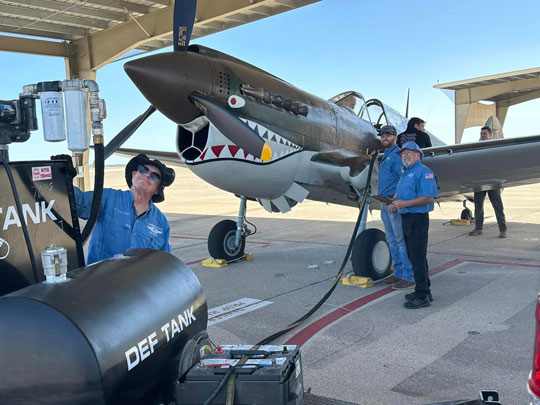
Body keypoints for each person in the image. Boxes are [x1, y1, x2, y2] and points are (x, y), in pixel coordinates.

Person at [75, 153, 175, 264]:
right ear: (133, 175)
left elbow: (165, 263)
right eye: (143, 170)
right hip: (101, 279)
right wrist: (63, 178)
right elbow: (78, 202)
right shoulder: (108, 198)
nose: (147, 175)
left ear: (157, 190)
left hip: (139, 281)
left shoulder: (161, 222)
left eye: (154, 176)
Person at [388, 141, 438, 309]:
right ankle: (425, 290)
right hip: (406, 217)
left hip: (418, 218)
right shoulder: (405, 173)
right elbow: (402, 195)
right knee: (413, 255)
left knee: (417, 256)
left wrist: (404, 204)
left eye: (409, 152)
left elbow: (428, 197)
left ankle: (422, 295)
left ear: (418, 155)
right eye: (403, 153)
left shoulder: (424, 172)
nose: (405, 155)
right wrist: (395, 203)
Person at [375, 125, 414, 289]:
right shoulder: (386, 156)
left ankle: (408, 275)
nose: (385, 137)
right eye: (383, 135)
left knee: (400, 240)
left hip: (392, 205)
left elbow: (403, 179)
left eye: (388, 135)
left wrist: (395, 202)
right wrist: (375, 160)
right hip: (384, 204)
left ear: (395, 137)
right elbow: (382, 175)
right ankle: (398, 273)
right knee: (391, 239)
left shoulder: (397, 156)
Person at [468, 126, 507, 238]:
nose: (482, 135)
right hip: (479, 180)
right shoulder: (477, 148)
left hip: (492, 180)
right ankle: (478, 228)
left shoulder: (495, 147)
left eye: (484, 133)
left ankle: (503, 229)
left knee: (497, 205)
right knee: (478, 206)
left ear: (490, 135)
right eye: (481, 133)